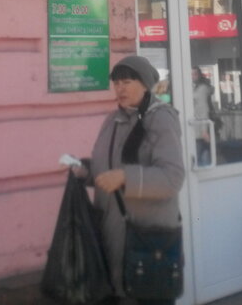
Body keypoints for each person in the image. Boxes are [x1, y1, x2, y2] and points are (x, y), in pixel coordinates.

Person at [79, 55, 184, 304]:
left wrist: (125, 177)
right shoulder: (112, 121)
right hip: (111, 236)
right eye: (116, 83)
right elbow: (107, 169)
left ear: (145, 84)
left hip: (147, 243)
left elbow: (172, 178)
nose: (120, 88)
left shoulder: (161, 119)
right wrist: (84, 171)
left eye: (127, 82)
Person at [191, 66, 215, 166]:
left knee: (200, 159)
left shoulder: (201, 89)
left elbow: (203, 109)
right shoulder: (193, 87)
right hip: (195, 128)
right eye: (191, 74)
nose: (192, 76)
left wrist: (204, 130)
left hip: (200, 130)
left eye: (195, 74)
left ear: (199, 75)